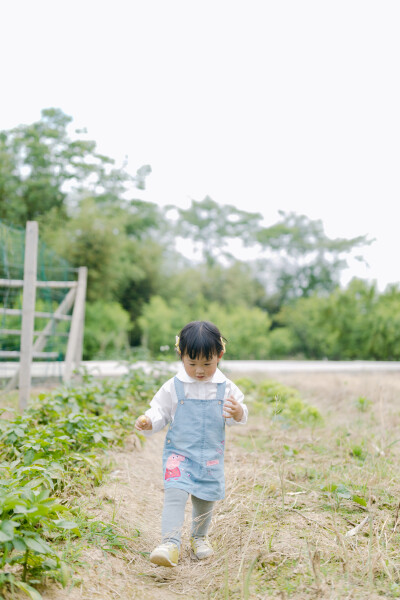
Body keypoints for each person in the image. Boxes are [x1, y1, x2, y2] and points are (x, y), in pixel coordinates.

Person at [135, 320, 248, 568]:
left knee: (205, 497)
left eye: (206, 364)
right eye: (192, 363)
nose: (199, 370)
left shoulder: (225, 387)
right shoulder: (174, 386)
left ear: (219, 356)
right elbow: (159, 411)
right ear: (181, 355)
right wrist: (148, 420)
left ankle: (199, 538)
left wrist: (238, 412)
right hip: (179, 455)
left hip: (210, 455)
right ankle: (170, 543)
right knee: (175, 494)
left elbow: (239, 415)